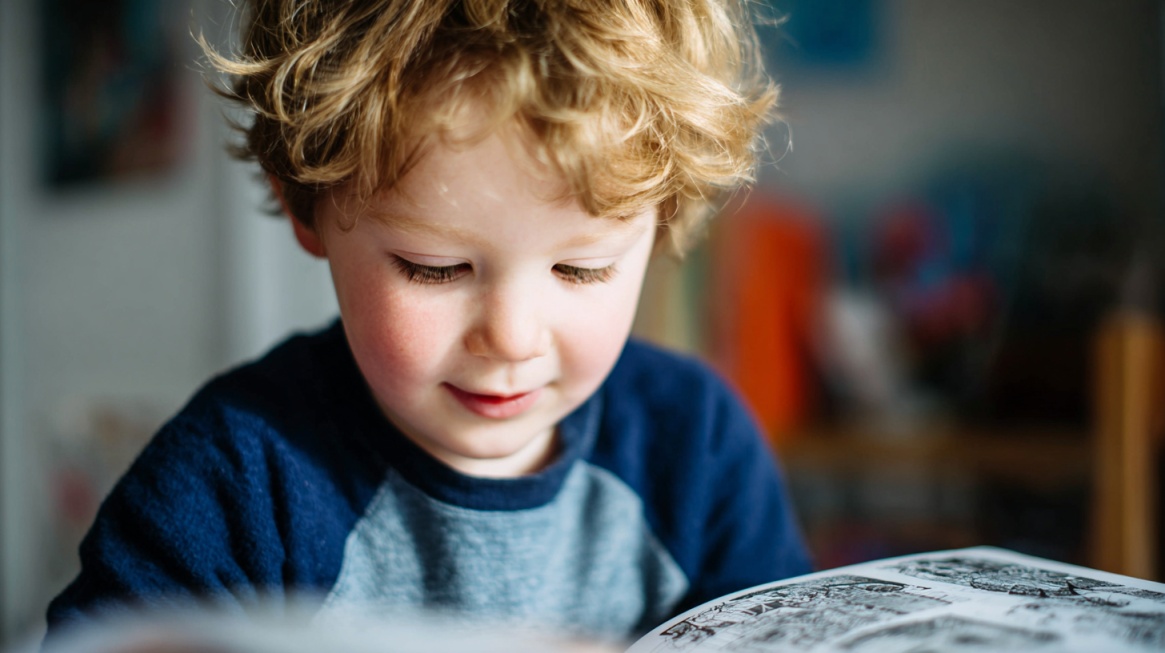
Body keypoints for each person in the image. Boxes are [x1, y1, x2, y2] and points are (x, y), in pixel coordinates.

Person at [45, 0, 811, 643]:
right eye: (434, 268)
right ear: (304, 204)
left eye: (581, 269)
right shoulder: (233, 480)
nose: (511, 337)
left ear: (664, 220)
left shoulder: (697, 447)